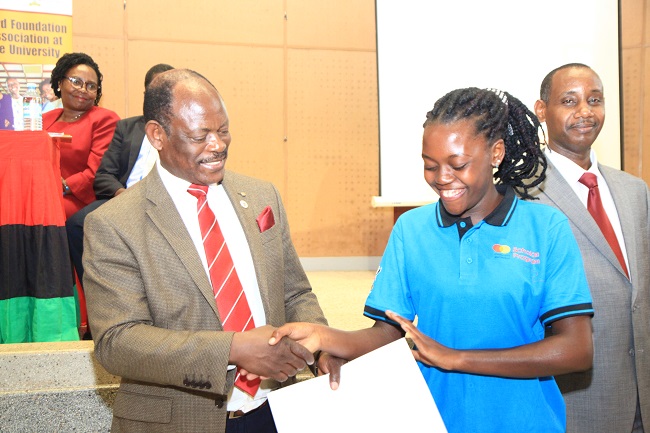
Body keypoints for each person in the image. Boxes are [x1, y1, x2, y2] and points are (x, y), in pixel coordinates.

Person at [269, 87, 595, 433]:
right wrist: (325, 338)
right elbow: (387, 333)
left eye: (458, 165)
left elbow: (576, 350)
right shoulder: (412, 229)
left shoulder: (545, 228)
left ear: (495, 152)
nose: (441, 178)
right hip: (435, 420)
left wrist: (456, 358)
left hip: (525, 421)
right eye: (430, 165)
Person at [83, 68, 328, 433]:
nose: (218, 145)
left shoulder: (262, 197)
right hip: (179, 422)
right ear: (157, 136)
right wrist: (234, 348)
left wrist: (320, 347)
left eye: (223, 130)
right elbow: (118, 342)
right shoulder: (114, 223)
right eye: (200, 135)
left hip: (274, 412)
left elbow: (294, 292)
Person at [531, 63, 650, 433]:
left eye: (594, 100)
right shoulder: (523, 194)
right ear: (541, 110)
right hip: (574, 398)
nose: (585, 111)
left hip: (642, 394)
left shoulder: (634, 190)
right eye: (570, 100)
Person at [66, 63, 174, 289]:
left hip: (166, 201)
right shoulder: (126, 127)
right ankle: (100, 293)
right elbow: (104, 175)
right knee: (77, 224)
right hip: (122, 198)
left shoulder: (182, 129)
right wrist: (123, 195)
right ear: (146, 95)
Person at [43, 52, 120, 218]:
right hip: (41, 192)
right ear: (59, 83)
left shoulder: (104, 119)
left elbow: (97, 172)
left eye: (91, 86)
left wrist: (63, 186)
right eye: (76, 82)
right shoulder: (44, 119)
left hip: (79, 198)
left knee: (42, 211)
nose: (83, 90)